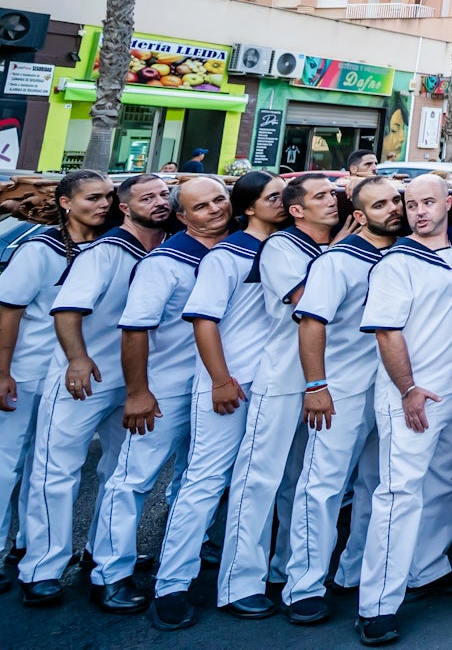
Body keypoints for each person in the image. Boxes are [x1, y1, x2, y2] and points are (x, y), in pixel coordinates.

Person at [17, 173, 172, 604]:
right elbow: (66, 311)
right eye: (147, 197)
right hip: (82, 380)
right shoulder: (105, 253)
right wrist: (77, 359)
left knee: (119, 474)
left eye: (164, 195)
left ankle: (101, 556)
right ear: (127, 208)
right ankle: (41, 568)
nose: (159, 202)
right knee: (57, 472)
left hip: (136, 382)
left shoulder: (163, 249)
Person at [151, 171, 290, 630]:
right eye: (273, 196)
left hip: (273, 383)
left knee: (259, 482)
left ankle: (245, 581)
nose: (282, 201)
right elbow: (204, 322)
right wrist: (219, 379)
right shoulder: (227, 255)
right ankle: (170, 585)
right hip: (229, 385)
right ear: (251, 205)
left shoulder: (284, 247)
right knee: (204, 480)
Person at [90, 174, 232, 613]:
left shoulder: (239, 251)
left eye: (220, 200)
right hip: (165, 390)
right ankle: (110, 572)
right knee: (134, 478)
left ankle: (187, 549)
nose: (215, 209)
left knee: (197, 479)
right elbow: (134, 330)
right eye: (202, 206)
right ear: (182, 216)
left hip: (214, 389)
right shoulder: (165, 262)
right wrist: (137, 392)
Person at [354, 172, 452, 646]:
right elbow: (387, 332)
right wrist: (407, 388)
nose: (420, 212)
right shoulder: (395, 263)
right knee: (399, 494)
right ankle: (377, 606)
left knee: (447, 483)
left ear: (449, 203)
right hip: (413, 395)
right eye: (412, 205)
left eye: (429, 202)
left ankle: (425, 568)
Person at [280, 174, 407, 624]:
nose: (393, 209)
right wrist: (316, 386)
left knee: (377, 484)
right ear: (359, 216)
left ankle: (353, 573)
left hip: (391, 388)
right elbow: (311, 323)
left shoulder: (407, 252)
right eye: (379, 205)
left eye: (397, 200)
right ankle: (303, 585)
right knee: (323, 485)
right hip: (343, 388)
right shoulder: (337, 261)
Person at [215, 173, 339, 617]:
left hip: (328, 376)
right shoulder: (282, 247)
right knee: (258, 477)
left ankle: (286, 569)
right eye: (321, 196)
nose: (332, 201)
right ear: (296, 210)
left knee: (301, 480)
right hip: (284, 376)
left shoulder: (336, 245)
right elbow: (313, 300)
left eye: (333, 193)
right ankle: (238, 582)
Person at [0, 169, 114, 593]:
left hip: (72, 375)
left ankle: (29, 546)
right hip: (27, 370)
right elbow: (8, 311)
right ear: (66, 202)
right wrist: (2, 372)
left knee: (42, 467)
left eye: (107, 197)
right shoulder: (39, 248)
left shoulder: (106, 247)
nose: (103, 205)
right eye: (92, 198)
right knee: (7, 463)